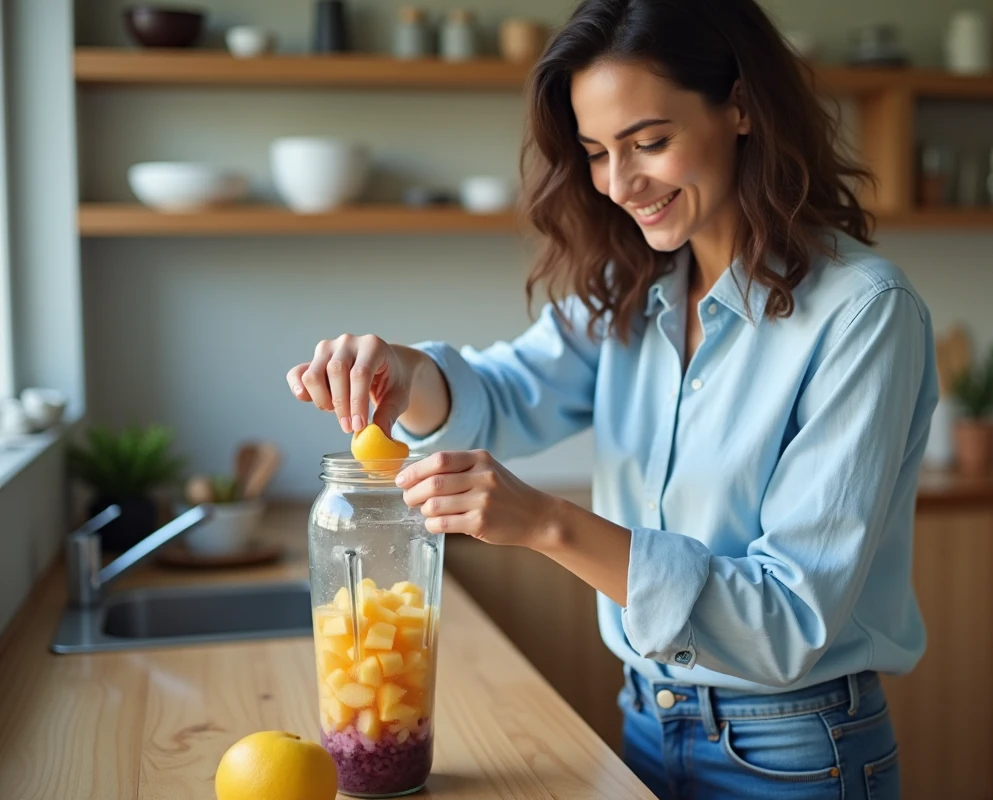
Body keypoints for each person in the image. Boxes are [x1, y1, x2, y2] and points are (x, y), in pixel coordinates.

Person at [286, 0, 938, 797]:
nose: (620, 183)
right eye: (596, 152)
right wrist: (404, 369)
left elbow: (787, 618)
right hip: (641, 724)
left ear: (740, 106)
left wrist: (548, 524)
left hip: (796, 752)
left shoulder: (863, 314)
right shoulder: (631, 288)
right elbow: (505, 395)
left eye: (650, 143)